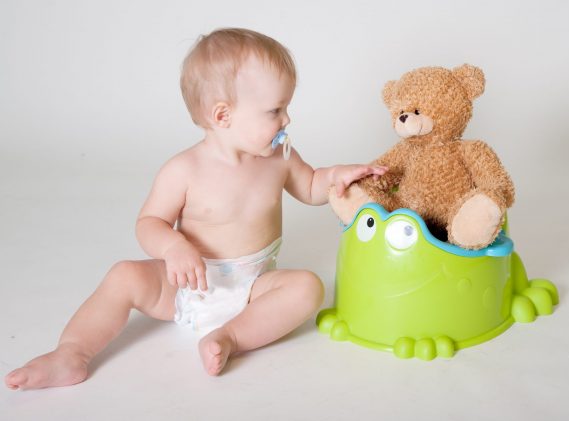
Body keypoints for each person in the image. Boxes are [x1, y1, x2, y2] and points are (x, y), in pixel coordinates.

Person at [4, 28, 386, 390]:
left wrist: (337, 176)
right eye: (275, 110)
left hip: (253, 287)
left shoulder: (280, 158)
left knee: (307, 288)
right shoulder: (183, 170)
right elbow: (149, 222)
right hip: (188, 283)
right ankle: (71, 353)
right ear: (223, 116)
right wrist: (174, 247)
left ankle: (231, 336)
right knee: (122, 276)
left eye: (286, 107)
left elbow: (311, 185)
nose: (287, 119)